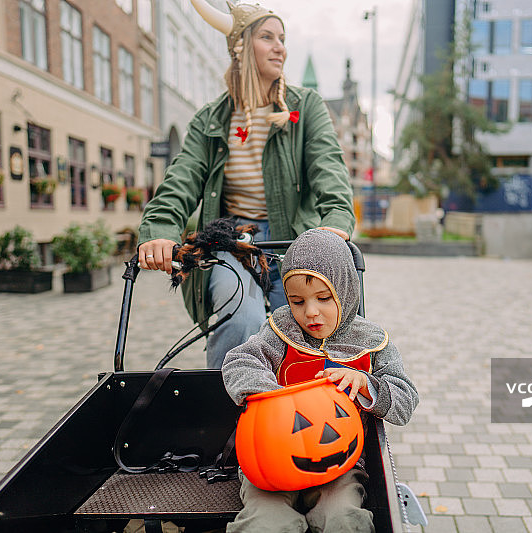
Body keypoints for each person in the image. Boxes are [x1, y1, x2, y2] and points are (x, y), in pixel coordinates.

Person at [137, 1, 355, 369]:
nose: (280, 47)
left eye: (282, 38)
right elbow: (182, 176)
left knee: (307, 327)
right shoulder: (212, 118)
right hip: (234, 239)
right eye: (267, 37)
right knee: (238, 315)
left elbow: (328, 168)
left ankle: (307, 408)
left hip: (295, 239)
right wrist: (159, 229)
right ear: (240, 47)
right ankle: (228, 412)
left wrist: (335, 220)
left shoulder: (306, 107)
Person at [221, 229, 419, 532]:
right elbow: (239, 361)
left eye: (324, 298)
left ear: (345, 291)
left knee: (342, 518)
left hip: (338, 464)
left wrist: (365, 383)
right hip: (270, 457)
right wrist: (271, 397)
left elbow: (405, 401)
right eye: (297, 302)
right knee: (266, 522)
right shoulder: (280, 331)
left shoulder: (371, 342)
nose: (310, 313)